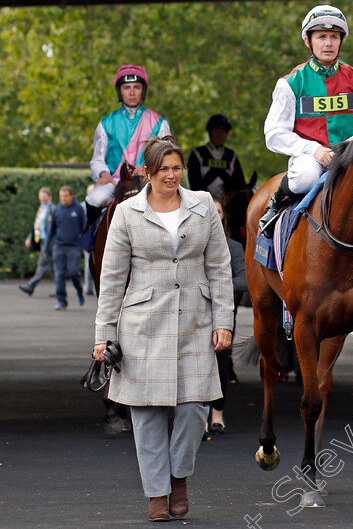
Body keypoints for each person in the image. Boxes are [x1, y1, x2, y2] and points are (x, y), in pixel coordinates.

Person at [92, 136, 233, 522]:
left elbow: (220, 267)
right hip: (143, 324)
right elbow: (113, 277)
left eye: (176, 168)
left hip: (195, 320)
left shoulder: (202, 205)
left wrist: (224, 321)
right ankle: (157, 493)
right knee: (147, 412)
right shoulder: (125, 212)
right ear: (149, 173)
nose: (171, 175)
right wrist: (104, 335)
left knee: (195, 406)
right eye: (163, 169)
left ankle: (178, 475)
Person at [259, 4, 353, 235]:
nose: (328, 43)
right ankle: (276, 205)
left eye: (334, 37)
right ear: (308, 41)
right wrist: (314, 150)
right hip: (309, 158)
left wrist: (346, 148)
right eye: (321, 36)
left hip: (350, 156)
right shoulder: (290, 83)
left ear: (341, 41)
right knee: (305, 177)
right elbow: (273, 134)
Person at [85, 64, 171, 230]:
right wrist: (103, 174)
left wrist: (148, 168)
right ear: (120, 91)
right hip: (115, 180)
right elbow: (97, 160)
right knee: (95, 199)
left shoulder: (160, 123)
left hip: (149, 180)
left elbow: (167, 159)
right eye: (126, 88)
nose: (131, 93)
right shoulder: (106, 123)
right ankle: (88, 242)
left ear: (143, 90)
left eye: (136, 87)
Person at [206, 196, 247, 437]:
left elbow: (245, 281)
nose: (214, 213)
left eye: (218, 210)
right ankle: (198, 414)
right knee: (195, 365)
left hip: (223, 314)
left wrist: (218, 284)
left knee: (221, 365)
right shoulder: (190, 244)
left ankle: (217, 414)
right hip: (194, 313)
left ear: (223, 216)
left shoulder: (234, 247)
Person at [188, 115, 247, 202]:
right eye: (216, 131)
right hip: (202, 204)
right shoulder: (198, 154)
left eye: (222, 132)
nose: (219, 135)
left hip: (228, 207)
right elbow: (194, 183)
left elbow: (239, 184)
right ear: (210, 132)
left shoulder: (231, 156)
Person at [47, 186, 86, 310]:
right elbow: (51, 230)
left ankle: (80, 292)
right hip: (59, 247)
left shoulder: (78, 210)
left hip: (74, 247)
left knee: (73, 272)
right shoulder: (57, 210)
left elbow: (84, 228)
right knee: (59, 275)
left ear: (71, 196)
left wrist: (85, 245)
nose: (63, 198)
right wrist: (46, 248)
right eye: (61, 196)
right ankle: (62, 301)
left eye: (65, 196)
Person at [19, 187, 55, 296]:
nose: (42, 200)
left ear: (50, 197)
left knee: (42, 264)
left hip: (49, 242)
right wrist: (30, 237)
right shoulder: (41, 208)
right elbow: (37, 224)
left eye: (44, 198)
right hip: (42, 241)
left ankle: (30, 286)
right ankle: (59, 290)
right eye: (41, 198)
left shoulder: (53, 209)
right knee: (53, 267)